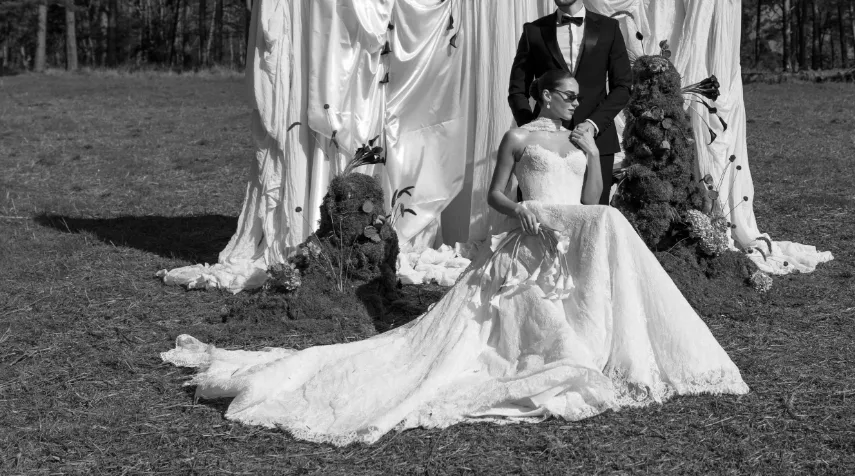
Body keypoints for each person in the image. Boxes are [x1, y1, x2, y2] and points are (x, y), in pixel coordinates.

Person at [162, 70, 748, 446]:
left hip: (573, 233)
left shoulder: (578, 141)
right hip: (532, 231)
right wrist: (523, 214)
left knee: (609, 230)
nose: (576, 104)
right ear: (545, 96)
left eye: (578, 97)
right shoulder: (520, 139)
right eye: (568, 96)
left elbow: (593, 202)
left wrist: (594, 154)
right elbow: (496, 194)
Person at [508, 0, 632, 203]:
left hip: (595, 141)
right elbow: (517, 90)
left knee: (592, 219)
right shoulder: (534, 31)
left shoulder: (608, 29)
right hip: (542, 149)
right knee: (539, 217)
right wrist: (532, 130)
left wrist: (593, 124)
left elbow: (623, 87)